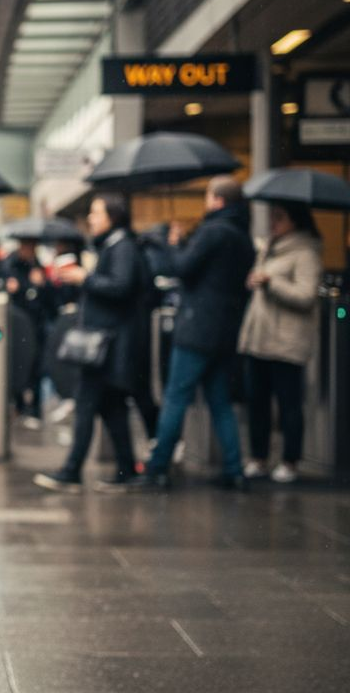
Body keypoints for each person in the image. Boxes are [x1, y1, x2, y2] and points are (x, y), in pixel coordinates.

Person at [129, 177, 256, 491]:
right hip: (226, 331)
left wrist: (174, 243)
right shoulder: (243, 237)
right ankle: (234, 469)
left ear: (218, 201)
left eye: (208, 196)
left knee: (175, 397)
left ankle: (158, 467)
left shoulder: (213, 231)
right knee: (220, 401)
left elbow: (182, 268)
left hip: (198, 328)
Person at [34, 194, 144, 493]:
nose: (91, 219)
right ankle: (127, 470)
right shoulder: (112, 245)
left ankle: (72, 471)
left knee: (86, 404)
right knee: (112, 409)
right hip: (106, 345)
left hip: (106, 345)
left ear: (113, 216)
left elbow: (120, 287)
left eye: (96, 213)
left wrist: (85, 277)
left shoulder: (122, 247)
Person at [238, 202, 322, 483]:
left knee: (288, 404)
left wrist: (272, 282)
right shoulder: (268, 248)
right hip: (259, 339)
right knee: (257, 403)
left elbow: (306, 295)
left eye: (279, 217)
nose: (273, 223)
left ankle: (290, 460)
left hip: (286, 343)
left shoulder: (306, 252)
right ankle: (259, 458)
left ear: (295, 221)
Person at [2, 237, 52, 425]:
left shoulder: (38, 266)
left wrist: (42, 284)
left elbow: (48, 299)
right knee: (19, 363)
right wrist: (18, 288)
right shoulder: (11, 265)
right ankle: (19, 404)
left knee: (36, 368)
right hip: (18, 326)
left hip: (37, 325)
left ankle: (36, 409)